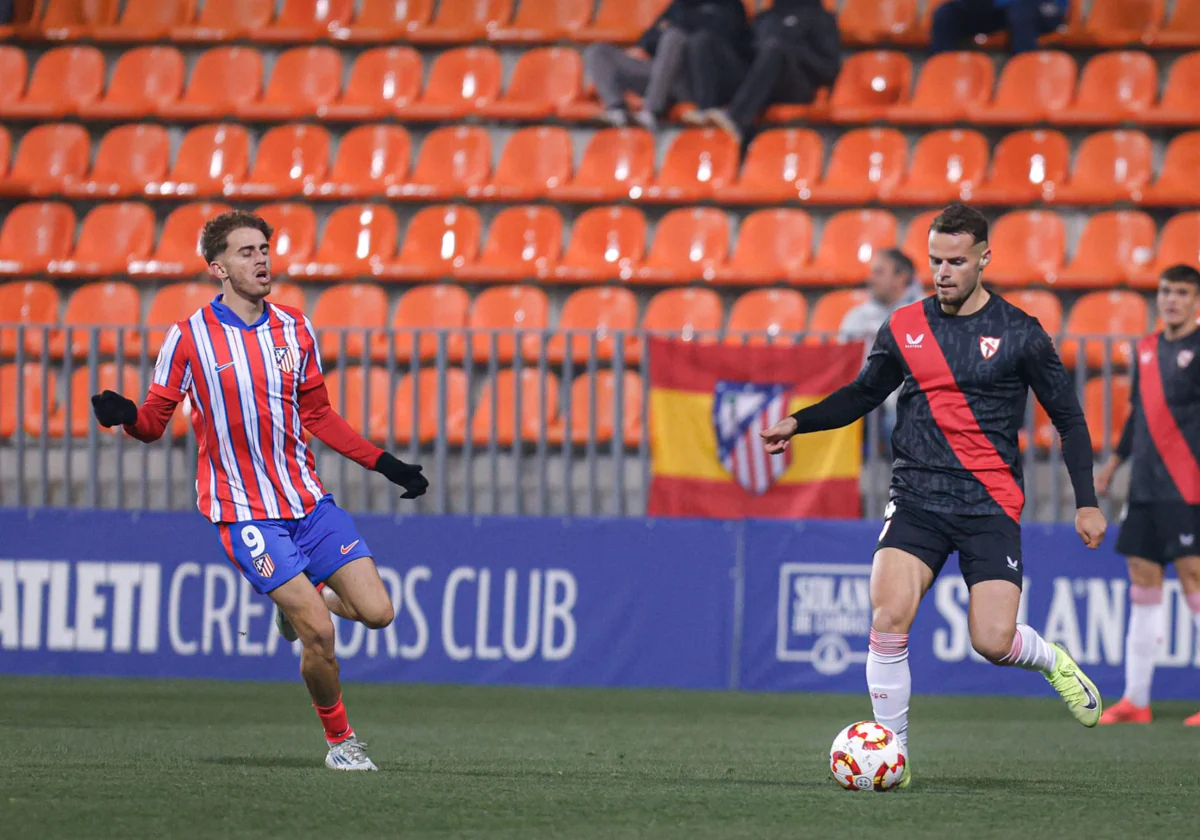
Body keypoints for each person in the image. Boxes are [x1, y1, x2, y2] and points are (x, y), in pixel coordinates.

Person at [759, 202, 1108, 788]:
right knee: (889, 614)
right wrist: (799, 421)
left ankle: (1052, 660)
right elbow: (865, 393)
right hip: (917, 494)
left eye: (955, 261)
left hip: (989, 502)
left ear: (983, 260)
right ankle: (893, 754)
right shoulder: (903, 326)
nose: (942, 272)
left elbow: (1069, 419)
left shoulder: (1020, 332)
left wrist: (1087, 499)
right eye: (934, 261)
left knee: (992, 641)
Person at [90, 211, 429, 771]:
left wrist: (386, 464)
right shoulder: (188, 338)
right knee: (318, 637)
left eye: (265, 248)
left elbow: (319, 415)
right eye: (247, 251)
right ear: (217, 267)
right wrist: (125, 415)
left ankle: (304, 598)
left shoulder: (294, 328)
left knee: (378, 613)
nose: (262, 259)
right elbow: (153, 422)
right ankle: (341, 742)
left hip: (307, 503)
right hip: (244, 512)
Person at [1094, 264, 1200, 727]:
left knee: (1194, 577)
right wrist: (1115, 464)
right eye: (1165, 291)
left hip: (1188, 481)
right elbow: (1139, 414)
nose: (1171, 299)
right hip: (1145, 485)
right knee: (1142, 579)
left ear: (1196, 300)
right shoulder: (1147, 350)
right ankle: (1136, 699)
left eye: (1181, 292)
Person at [584, 0, 752, 131]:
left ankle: (651, 112)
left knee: (674, 36)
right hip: (661, 71)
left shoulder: (730, 5)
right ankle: (616, 109)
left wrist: (673, 28)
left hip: (692, 82)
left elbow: (721, 43)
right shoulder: (679, 5)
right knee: (597, 51)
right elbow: (649, 38)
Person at [704, 0, 841, 145]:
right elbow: (747, 54)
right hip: (759, 85)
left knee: (775, 48)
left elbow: (829, 69)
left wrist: (793, 51)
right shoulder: (765, 18)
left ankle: (736, 118)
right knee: (707, 40)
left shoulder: (821, 18)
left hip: (795, 86)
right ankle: (708, 111)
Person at [838, 249, 925, 453]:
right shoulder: (857, 316)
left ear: (901, 277)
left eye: (879, 272)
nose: (871, 279)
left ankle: (904, 484)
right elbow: (841, 361)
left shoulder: (926, 314)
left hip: (907, 395)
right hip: (863, 395)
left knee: (899, 417)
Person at [931, 0, 1069, 55]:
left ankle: (1025, 74)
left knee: (1021, 13)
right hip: (1002, 8)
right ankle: (941, 71)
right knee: (947, 13)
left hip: (1045, 8)